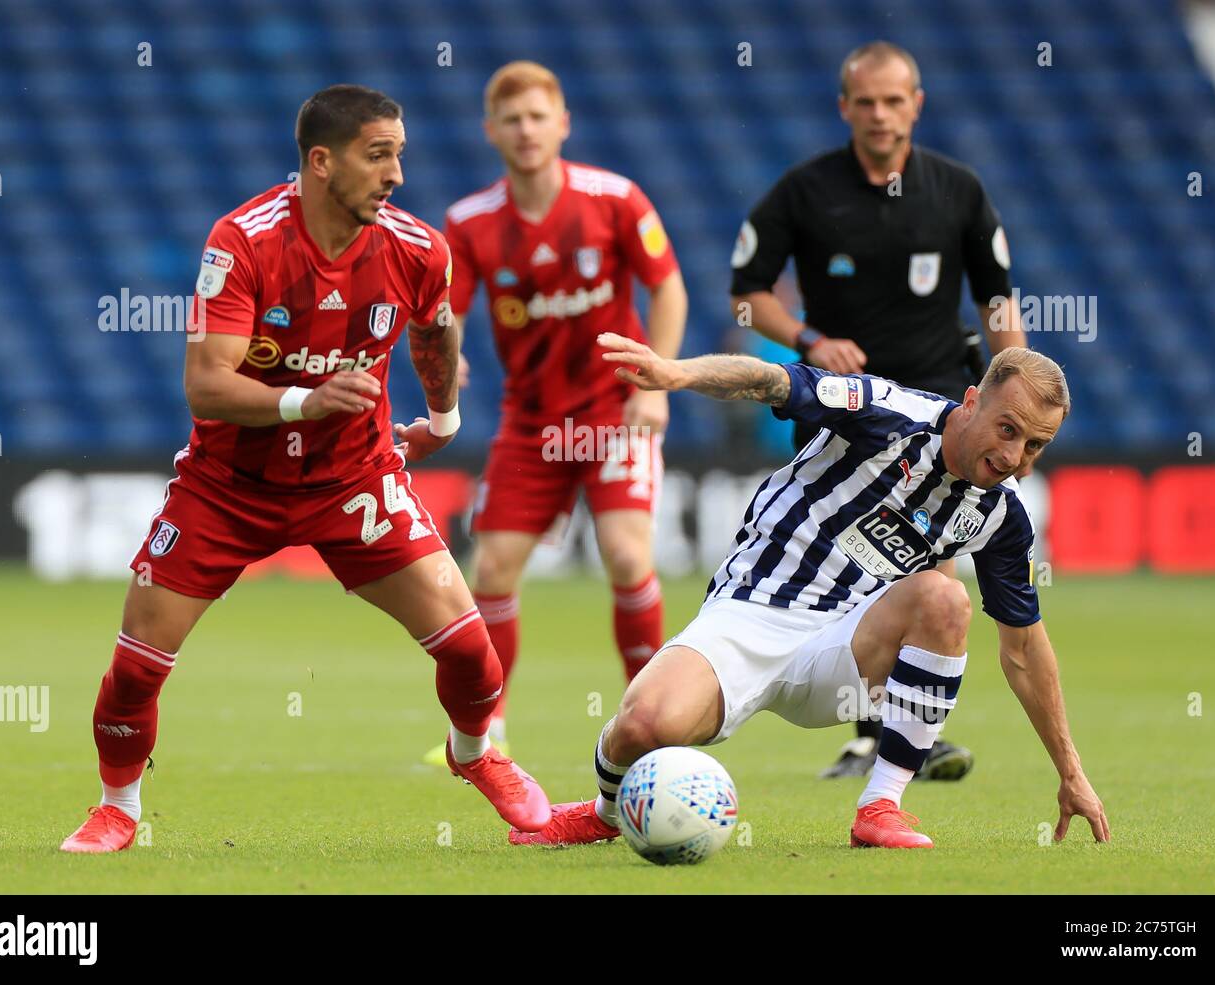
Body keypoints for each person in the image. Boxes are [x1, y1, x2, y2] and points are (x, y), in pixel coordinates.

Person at [59, 84, 551, 853]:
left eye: (400, 155)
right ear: (322, 161)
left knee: (468, 648)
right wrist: (304, 401)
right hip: (228, 487)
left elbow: (434, 329)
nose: (395, 174)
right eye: (377, 155)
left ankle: (476, 754)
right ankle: (118, 805)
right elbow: (206, 383)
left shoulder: (418, 248)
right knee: (136, 666)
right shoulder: (243, 241)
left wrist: (446, 418)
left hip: (353, 478)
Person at [510, 336, 1109, 850]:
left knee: (944, 598)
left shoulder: (1001, 518)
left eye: (1035, 447)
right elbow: (774, 381)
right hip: (750, 615)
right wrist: (676, 375)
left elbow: (1025, 649)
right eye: (1008, 431)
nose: (1014, 458)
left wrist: (1072, 773)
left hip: (844, 650)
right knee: (642, 726)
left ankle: (880, 807)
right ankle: (607, 813)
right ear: (973, 402)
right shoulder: (887, 411)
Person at [730, 40, 1030, 780]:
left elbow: (997, 299)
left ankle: (895, 738)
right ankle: (873, 734)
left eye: (895, 100)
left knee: (930, 579)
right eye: (865, 101)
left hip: (938, 413)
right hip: (845, 412)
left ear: (916, 105)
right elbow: (747, 291)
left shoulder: (958, 190)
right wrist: (808, 339)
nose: (880, 114)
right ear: (845, 108)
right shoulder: (805, 191)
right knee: (850, 571)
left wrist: (1013, 384)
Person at [423, 61, 688, 762]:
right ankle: (485, 732)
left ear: (562, 123)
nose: (526, 129)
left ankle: (653, 721)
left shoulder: (616, 198)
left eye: (539, 116)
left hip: (613, 412)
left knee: (628, 555)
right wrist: (449, 354)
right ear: (492, 132)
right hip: (533, 423)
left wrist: (654, 383)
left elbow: (669, 291)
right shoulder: (470, 221)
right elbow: (445, 313)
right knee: (492, 571)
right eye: (512, 119)